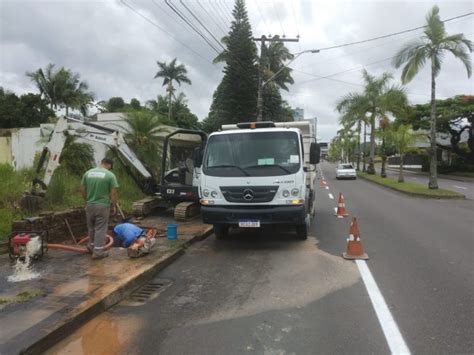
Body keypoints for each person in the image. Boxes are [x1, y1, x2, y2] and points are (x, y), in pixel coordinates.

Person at [80, 158, 119, 259]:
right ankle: (98, 252)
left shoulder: (88, 173)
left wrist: (87, 199)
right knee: (100, 228)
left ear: (101, 163)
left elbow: (82, 188)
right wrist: (113, 205)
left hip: (89, 204)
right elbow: (113, 193)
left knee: (91, 227)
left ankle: (91, 247)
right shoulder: (110, 175)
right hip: (102, 205)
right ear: (109, 165)